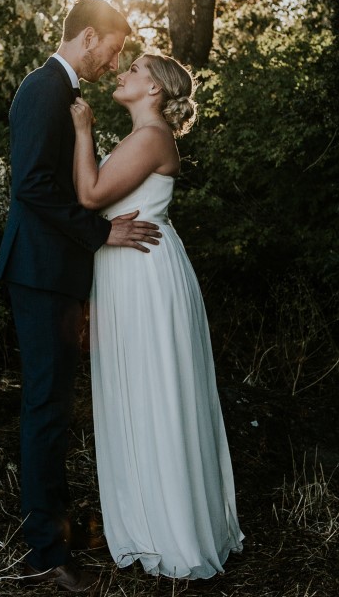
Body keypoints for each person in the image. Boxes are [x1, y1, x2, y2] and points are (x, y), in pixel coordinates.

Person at [0, 0, 162, 593]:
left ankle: (57, 526)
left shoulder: (61, 92)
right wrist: (101, 232)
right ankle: (43, 550)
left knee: (56, 405)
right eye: (113, 50)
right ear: (89, 37)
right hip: (39, 272)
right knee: (45, 406)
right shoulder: (43, 90)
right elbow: (33, 185)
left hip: (57, 272)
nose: (114, 62)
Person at [70, 53, 244, 579]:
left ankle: (170, 528)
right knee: (137, 388)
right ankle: (149, 518)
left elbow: (91, 194)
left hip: (143, 273)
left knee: (154, 388)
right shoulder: (143, 136)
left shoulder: (150, 137)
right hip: (127, 269)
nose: (122, 73)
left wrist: (81, 131)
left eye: (135, 70)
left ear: (154, 90)